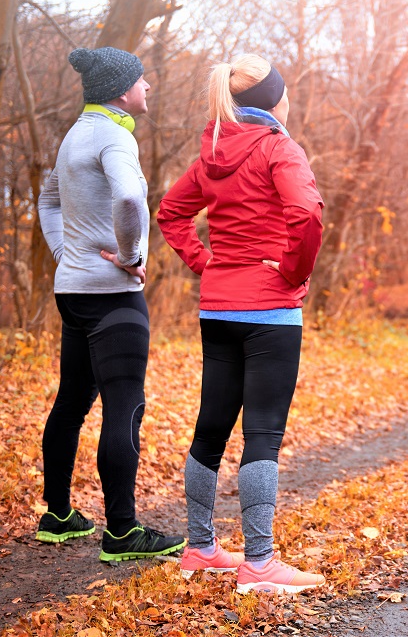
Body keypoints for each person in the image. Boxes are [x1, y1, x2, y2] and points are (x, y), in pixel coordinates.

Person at [157, 54, 325, 594]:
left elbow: (171, 213)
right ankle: (258, 563)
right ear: (274, 100)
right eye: (285, 90)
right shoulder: (279, 147)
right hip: (270, 312)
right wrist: (294, 273)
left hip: (219, 309)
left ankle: (201, 548)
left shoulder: (212, 151)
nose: (289, 97)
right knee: (263, 435)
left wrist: (209, 266)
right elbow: (308, 214)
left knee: (211, 428)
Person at [36, 46, 185, 563]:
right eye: (143, 81)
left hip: (72, 290)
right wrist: (131, 256)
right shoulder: (116, 138)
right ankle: (122, 533)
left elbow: (48, 201)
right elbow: (128, 200)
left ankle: (58, 515)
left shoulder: (74, 135)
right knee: (124, 405)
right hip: (112, 296)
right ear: (122, 90)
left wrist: (65, 252)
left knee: (72, 401)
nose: (148, 88)